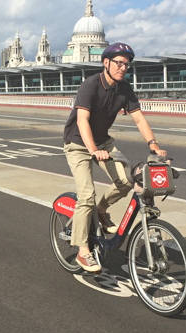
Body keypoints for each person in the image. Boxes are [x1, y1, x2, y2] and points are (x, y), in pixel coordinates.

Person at [63, 42, 167, 273]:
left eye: (126, 65)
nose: (123, 68)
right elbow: (82, 121)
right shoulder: (90, 86)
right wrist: (92, 150)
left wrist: (154, 145)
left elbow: (139, 119)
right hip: (78, 143)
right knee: (86, 195)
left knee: (126, 182)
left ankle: (101, 211)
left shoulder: (124, 89)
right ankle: (82, 251)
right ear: (106, 63)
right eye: (119, 63)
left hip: (103, 142)